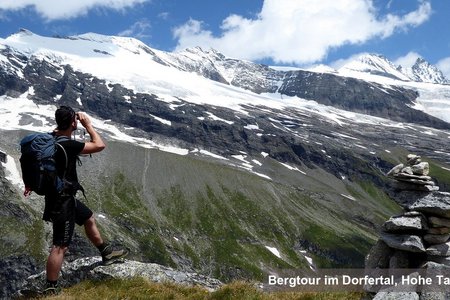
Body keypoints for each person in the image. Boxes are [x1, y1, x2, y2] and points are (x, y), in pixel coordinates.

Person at [43, 105, 128, 295]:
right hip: (62, 201)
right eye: (74, 120)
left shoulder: (52, 138)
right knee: (60, 246)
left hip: (60, 196)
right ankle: (50, 288)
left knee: (88, 217)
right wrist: (88, 125)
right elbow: (99, 145)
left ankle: (106, 252)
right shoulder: (68, 144)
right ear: (72, 122)